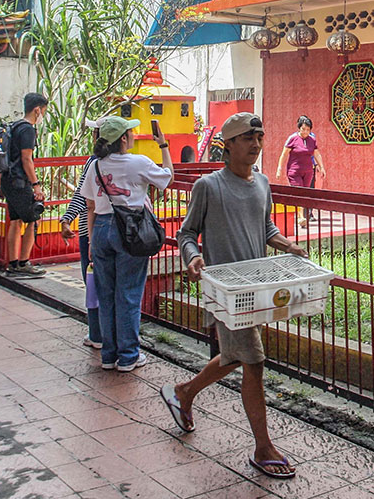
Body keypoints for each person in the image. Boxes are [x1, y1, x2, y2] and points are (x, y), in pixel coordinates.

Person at [164, 112, 306, 478]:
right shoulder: (209, 186)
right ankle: (263, 447)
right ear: (227, 145)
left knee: (234, 356)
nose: (256, 144)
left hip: (254, 289)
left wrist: (286, 244)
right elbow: (187, 233)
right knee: (253, 361)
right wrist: (193, 258)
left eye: (259, 137)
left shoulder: (262, 183)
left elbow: (266, 225)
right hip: (225, 292)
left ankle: (184, 392)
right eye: (247, 138)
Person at [80, 116, 173, 372]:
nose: (132, 135)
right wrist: (163, 145)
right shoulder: (138, 162)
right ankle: (129, 355)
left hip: (101, 229)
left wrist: (91, 241)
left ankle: (109, 355)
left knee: (106, 294)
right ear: (123, 138)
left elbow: (90, 205)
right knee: (128, 294)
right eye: (130, 132)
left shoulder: (95, 165)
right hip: (130, 230)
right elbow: (167, 179)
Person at [61, 119, 104, 350]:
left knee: (93, 283)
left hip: (91, 231)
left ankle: (96, 334)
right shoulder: (126, 162)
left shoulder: (93, 163)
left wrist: (67, 218)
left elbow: (82, 196)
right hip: (115, 231)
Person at [1, 93, 48, 278]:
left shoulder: (14, 126)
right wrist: (36, 185)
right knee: (33, 219)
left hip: (9, 180)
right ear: (37, 110)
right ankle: (23, 262)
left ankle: (13, 263)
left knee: (15, 220)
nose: (43, 114)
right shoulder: (27, 129)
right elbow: (27, 159)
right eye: (43, 111)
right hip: (20, 181)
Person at [274, 115, 326, 228]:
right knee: (298, 192)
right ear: (299, 128)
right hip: (294, 171)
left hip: (308, 171)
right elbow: (284, 154)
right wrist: (279, 168)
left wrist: (322, 167)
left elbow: (316, 154)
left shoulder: (312, 140)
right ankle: (301, 217)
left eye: (308, 129)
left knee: (305, 193)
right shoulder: (293, 138)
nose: (305, 132)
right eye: (303, 129)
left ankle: (303, 217)